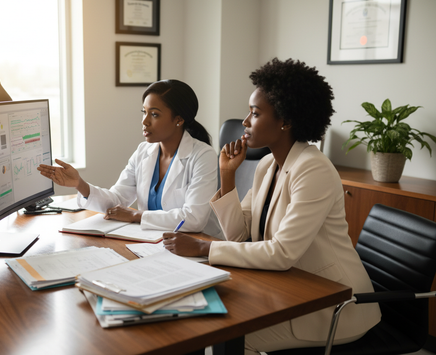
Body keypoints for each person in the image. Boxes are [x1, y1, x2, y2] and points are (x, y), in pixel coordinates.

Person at [162, 58, 381, 353]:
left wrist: (202, 248)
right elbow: (239, 236)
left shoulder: (313, 169)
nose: (244, 122)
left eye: (254, 113)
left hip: (331, 305)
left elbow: (281, 253)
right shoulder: (267, 164)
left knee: (227, 338)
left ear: (285, 121)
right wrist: (228, 174)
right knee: (204, 322)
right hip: (288, 287)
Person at [38, 79, 221, 237]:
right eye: (144, 112)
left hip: (197, 245)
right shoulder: (144, 151)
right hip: (155, 241)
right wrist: (80, 185)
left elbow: (194, 219)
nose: (145, 121)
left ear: (178, 120)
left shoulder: (203, 156)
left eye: (154, 114)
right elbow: (117, 200)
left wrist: (136, 215)